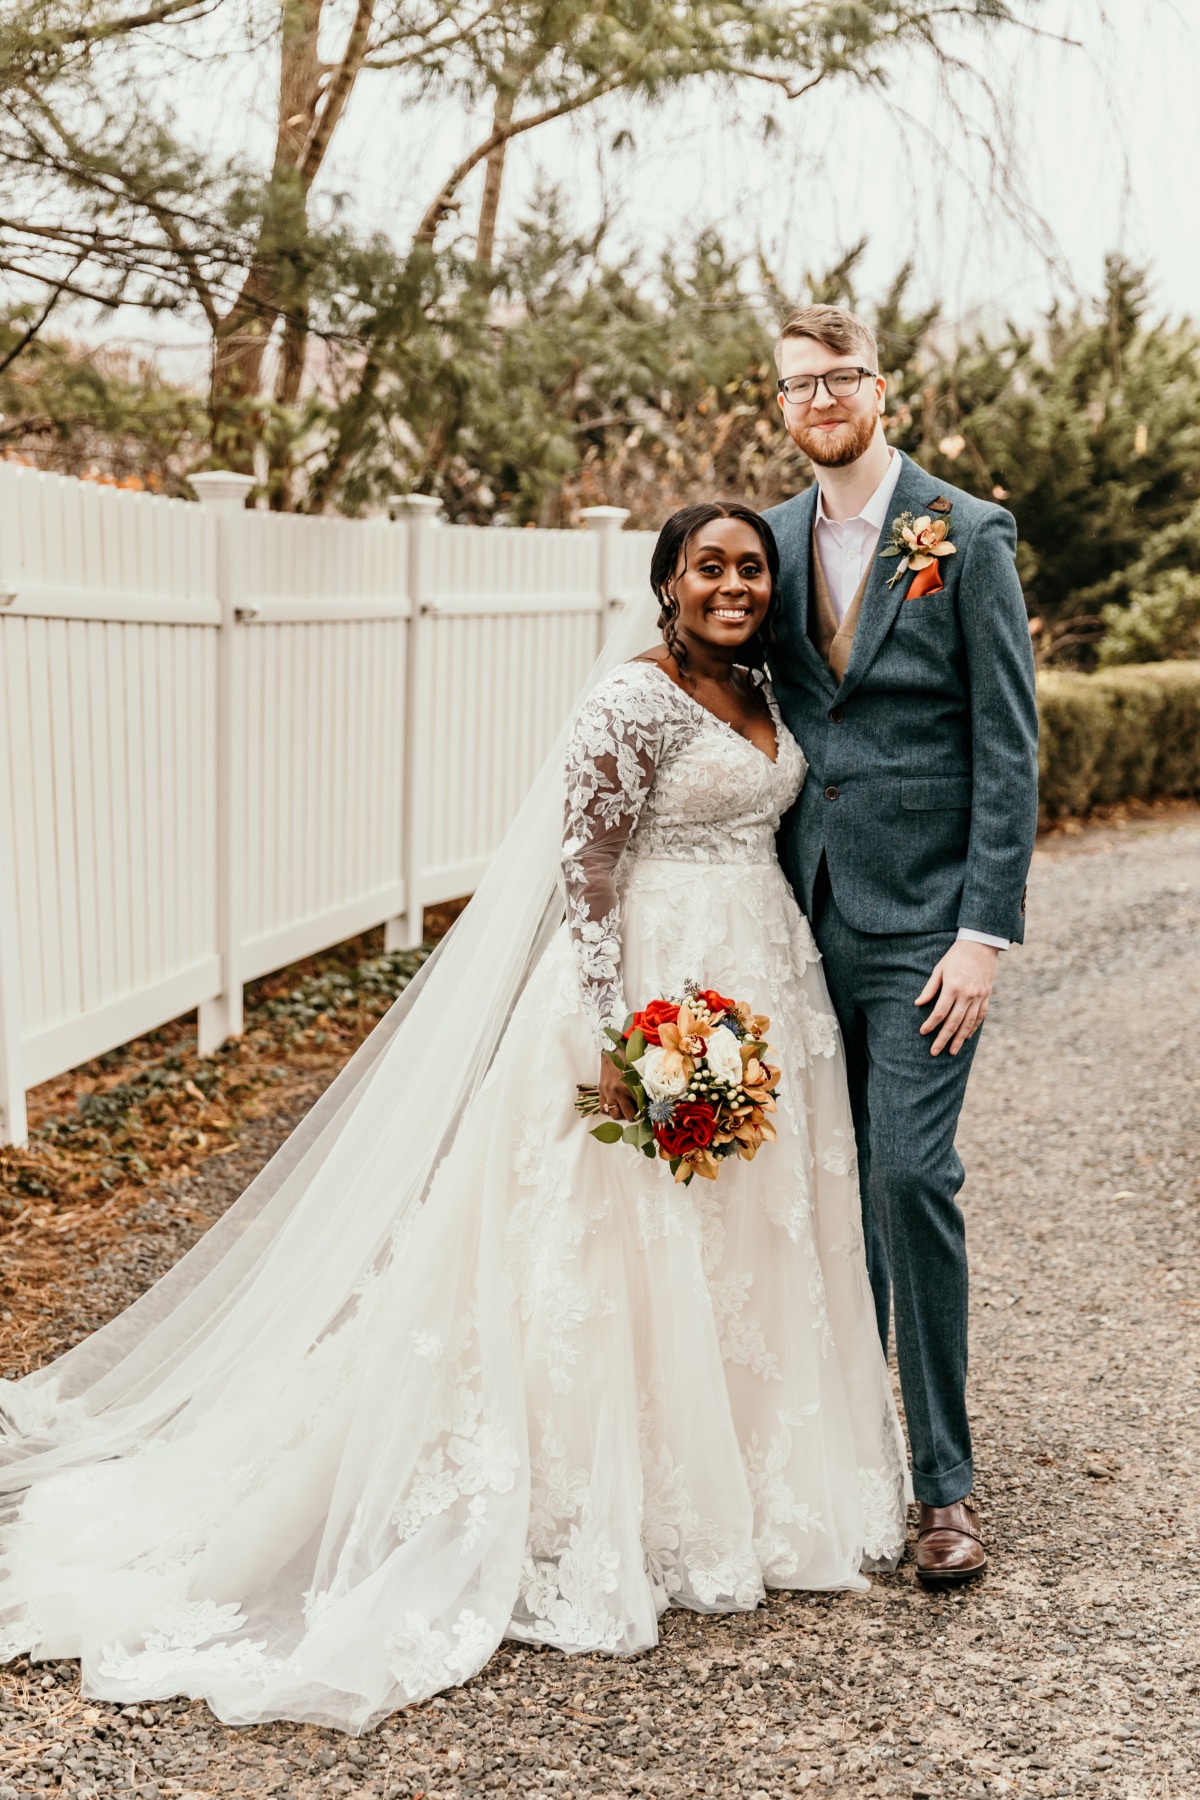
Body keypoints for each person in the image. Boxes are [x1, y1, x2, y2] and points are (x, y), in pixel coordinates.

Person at [0, 502, 907, 1733]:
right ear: (667, 583)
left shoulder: (769, 689)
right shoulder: (630, 698)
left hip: (763, 974)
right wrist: (615, 1030)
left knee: (744, 1235)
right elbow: (587, 866)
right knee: (609, 1241)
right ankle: (598, 1493)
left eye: (752, 568)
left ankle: (742, 1483)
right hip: (647, 987)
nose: (735, 585)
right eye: (710, 567)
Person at [764, 304, 1040, 1585]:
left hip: (925, 928)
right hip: (793, 915)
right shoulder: (763, 543)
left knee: (907, 1180)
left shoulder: (966, 534)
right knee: (820, 1194)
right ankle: (830, 1469)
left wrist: (982, 932)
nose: (821, 399)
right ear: (780, 406)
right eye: (797, 386)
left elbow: (1008, 747)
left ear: (882, 387)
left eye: (841, 378)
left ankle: (943, 1487)